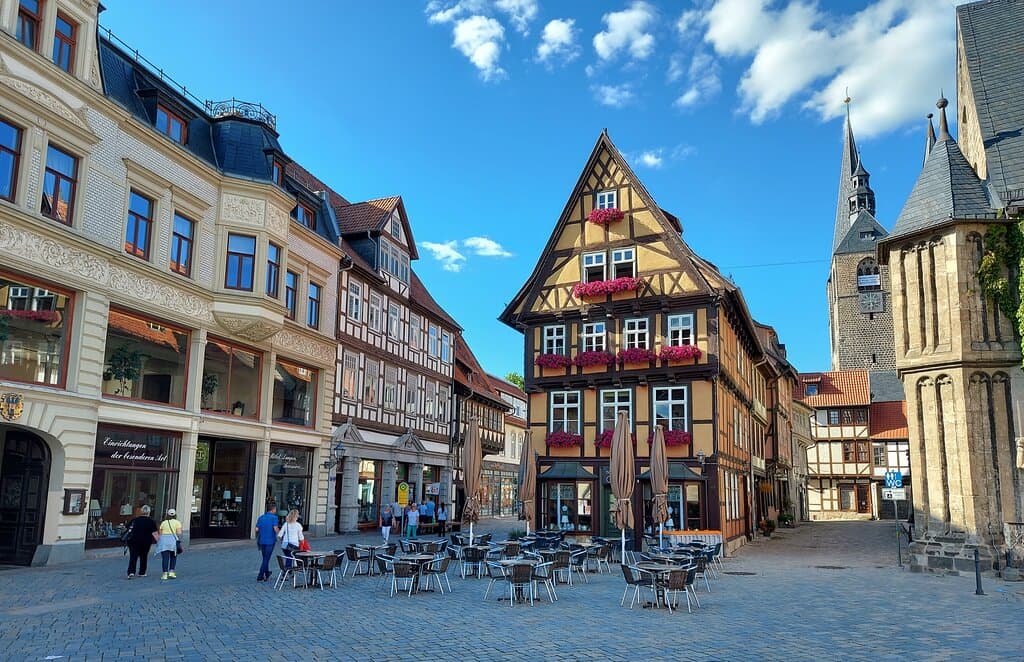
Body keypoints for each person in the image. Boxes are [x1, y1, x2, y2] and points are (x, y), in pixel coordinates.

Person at [125, 505, 157, 579]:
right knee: (144, 556)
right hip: (146, 542)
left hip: (133, 541)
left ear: (141, 512)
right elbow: (155, 533)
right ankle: (142, 572)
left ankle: (131, 572)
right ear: (149, 512)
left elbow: (127, 528)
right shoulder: (151, 521)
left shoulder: (134, 520)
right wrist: (159, 542)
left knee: (133, 557)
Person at [154, 508, 183, 580]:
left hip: (164, 541)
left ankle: (164, 574)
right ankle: (171, 572)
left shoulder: (163, 523)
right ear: (175, 515)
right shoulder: (177, 522)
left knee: (165, 558)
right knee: (173, 557)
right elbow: (179, 533)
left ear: (167, 515)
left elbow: (160, 533)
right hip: (173, 541)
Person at [255, 502, 279, 582]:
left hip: (262, 540)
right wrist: (280, 534)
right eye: (275, 509)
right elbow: (275, 528)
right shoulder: (274, 518)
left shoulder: (261, 517)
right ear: (273, 509)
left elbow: (257, 529)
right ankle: (260, 575)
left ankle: (267, 573)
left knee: (265, 557)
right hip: (270, 540)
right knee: (266, 558)